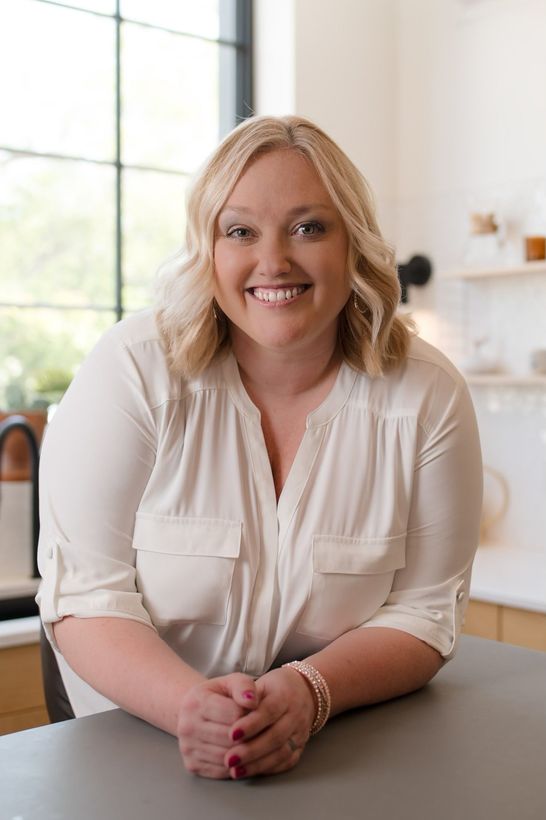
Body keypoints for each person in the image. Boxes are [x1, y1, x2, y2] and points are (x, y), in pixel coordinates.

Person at [37, 114, 482, 781]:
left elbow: (424, 612)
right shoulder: (131, 369)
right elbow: (86, 594)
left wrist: (311, 692)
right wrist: (193, 708)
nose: (273, 261)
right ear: (209, 249)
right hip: (130, 745)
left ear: (351, 242)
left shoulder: (428, 397)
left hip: (335, 755)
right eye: (239, 231)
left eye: (309, 227)